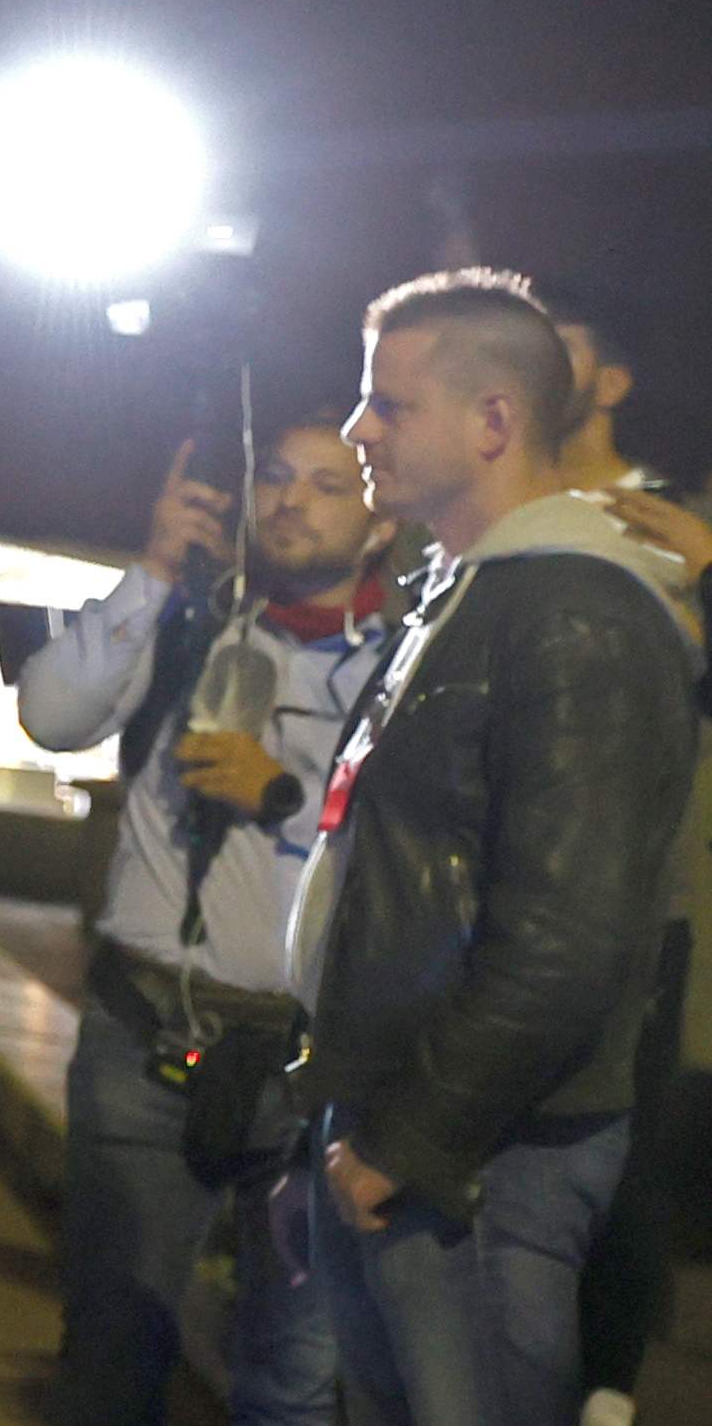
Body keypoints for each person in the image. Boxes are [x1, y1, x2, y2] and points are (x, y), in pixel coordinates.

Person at [294, 269, 700, 1426]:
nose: (359, 427)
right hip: (405, 1126)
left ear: (493, 420)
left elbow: (566, 939)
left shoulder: (574, 611)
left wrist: (413, 1138)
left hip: (477, 1156)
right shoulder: (471, 591)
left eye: (389, 403)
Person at [17, 418, 388, 1426]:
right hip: (148, 1043)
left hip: (311, 1075)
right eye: (277, 476)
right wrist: (152, 568)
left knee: (296, 1380)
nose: (292, 499)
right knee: (110, 1348)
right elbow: (51, 716)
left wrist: (284, 796)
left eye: (330, 484)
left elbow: (415, 852)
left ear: (381, 520)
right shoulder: (190, 626)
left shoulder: (400, 666)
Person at [534, 282, 704, 1426]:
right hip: (507, 883)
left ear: (614, 381)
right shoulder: (501, 512)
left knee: (625, 1156)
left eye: (566, 349)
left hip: (651, 900)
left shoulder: (675, 521)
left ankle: (605, 1387)